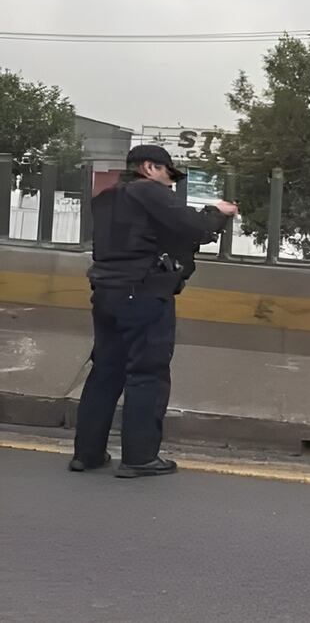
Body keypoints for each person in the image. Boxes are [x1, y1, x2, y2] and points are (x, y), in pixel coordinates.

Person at [68, 145, 237, 478]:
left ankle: (87, 454)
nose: (170, 183)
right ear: (149, 167)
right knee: (147, 373)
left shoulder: (106, 197)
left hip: (105, 291)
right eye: (167, 173)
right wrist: (217, 211)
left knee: (105, 371)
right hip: (142, 293)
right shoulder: (148, 191)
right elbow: (194, 227)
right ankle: (140, 457)